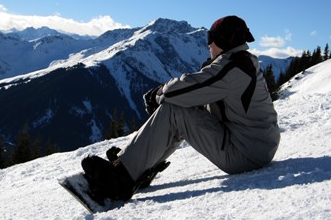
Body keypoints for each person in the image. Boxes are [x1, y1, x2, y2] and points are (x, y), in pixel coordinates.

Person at [81, 15, 280, 203]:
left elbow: (179, 92)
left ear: (224, 40)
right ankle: (137, 167)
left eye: (211, 38)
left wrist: (158, 94)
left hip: (246, 154)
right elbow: (199, 96)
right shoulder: (240, 63)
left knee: (175, 110)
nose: (208, 44)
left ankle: (120, 181)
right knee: (182, 108)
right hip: (254, 144)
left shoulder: (233, 68)